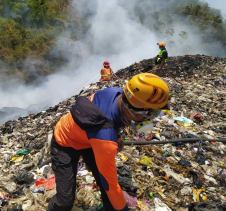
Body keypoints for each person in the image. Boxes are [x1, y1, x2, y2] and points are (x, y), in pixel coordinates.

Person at [48, 73, 170, 211]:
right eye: (152, 114)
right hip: (64, 142)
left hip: (88, 139)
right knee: (65, 201)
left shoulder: (116, 93)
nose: (152, 118)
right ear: (134, 110)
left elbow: (106, 111)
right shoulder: (105, 138)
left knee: (106, 188)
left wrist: (118, 134)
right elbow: (110, 184)